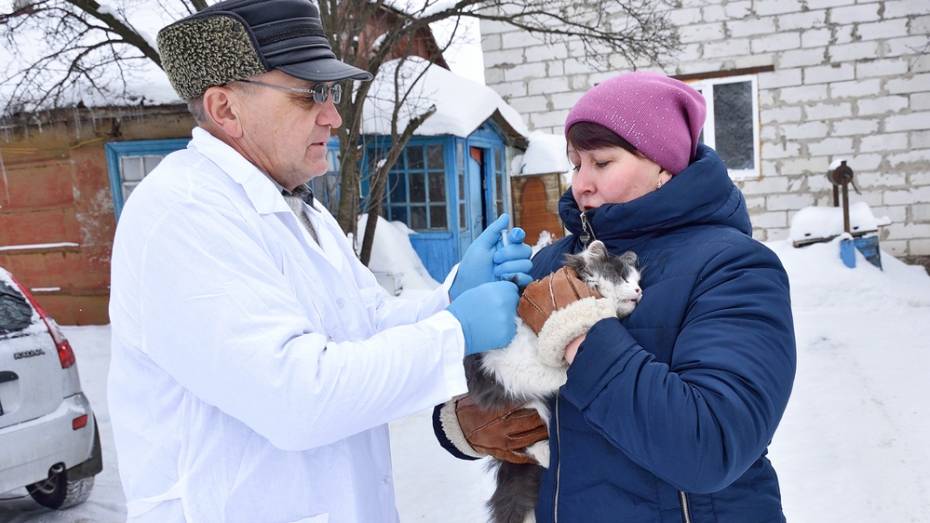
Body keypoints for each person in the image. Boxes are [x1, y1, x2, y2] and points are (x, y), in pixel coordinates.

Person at [106, 1, 534, 522]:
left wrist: (452, 298)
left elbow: (364, 329)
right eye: (309, 94)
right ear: (225, 109)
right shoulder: (184, 214)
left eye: (330, 93)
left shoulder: (297, 207)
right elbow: (295, 396)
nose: (331, 115)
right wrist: (453, 332)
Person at [434, 71, 797, 522]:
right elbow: (500, 393)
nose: (581, 184)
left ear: (664, 165)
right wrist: (466, 415)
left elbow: (712, 445)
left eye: (602, 163)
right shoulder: (553, 264)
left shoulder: (734, 269)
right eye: (576, 164)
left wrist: (579, 335)